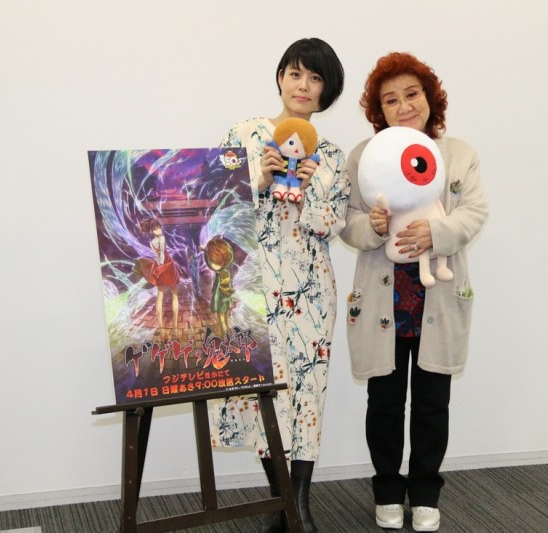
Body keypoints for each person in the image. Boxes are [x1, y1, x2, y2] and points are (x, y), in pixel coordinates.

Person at [340, 52, 489, 532]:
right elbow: (347, 221)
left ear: (429, 98)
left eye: (411, 94)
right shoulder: (364, 157)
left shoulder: (458, 154)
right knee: (384, 403)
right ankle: (387, 490)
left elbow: (475, 212)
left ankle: (425, 493)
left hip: (436, 300)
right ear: (378, 110)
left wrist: (437, 234)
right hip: (383, 301)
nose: (404, 106)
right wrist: (372, 226)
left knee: (431, 403)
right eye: (391, 100)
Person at [210, 37, 348, 533]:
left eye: (316, 78)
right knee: (262, 394)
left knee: (308, 392)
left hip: (311, 289)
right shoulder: (244, 134)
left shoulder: (331, 156)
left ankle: (299, 508)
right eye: (296, 73)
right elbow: (216, 208)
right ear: (280, 78)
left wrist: (308, 195)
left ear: (327, 91)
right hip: (252, 288)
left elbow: (334, 223)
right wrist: (260, 180)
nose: (303, 85)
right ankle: (282, 503)